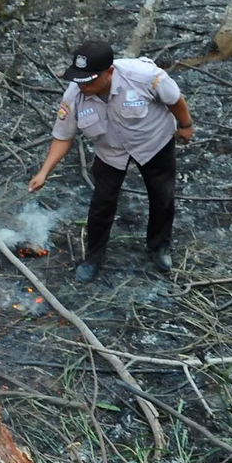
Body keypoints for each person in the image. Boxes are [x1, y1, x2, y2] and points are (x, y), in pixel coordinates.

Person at [28, 39, 194, 282]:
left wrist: (186, 125)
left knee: (162, 195)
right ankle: (93, 258)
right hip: (110, 152)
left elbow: (175, 99)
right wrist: (44, 172)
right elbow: (63, 136)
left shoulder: (145, 77)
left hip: (153, 143)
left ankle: (159, 246)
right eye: (79, 79)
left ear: (110, 72)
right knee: (102, 204)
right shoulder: (74, 95)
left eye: (90, 80)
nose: (82, 86)